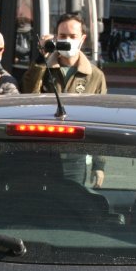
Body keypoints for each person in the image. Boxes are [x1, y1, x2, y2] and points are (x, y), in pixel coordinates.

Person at [21, 13, 108, 188]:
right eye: (62, 36)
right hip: (41, 150)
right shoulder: (43, 67)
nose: (67, 40)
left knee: (72, 202)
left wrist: (99, 165)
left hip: (75, 154)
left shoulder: (94, 75)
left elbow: (100, 120)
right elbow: (29, 95)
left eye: (72, 36)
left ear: (82, 39)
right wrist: (42, 58)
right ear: (55, 37)